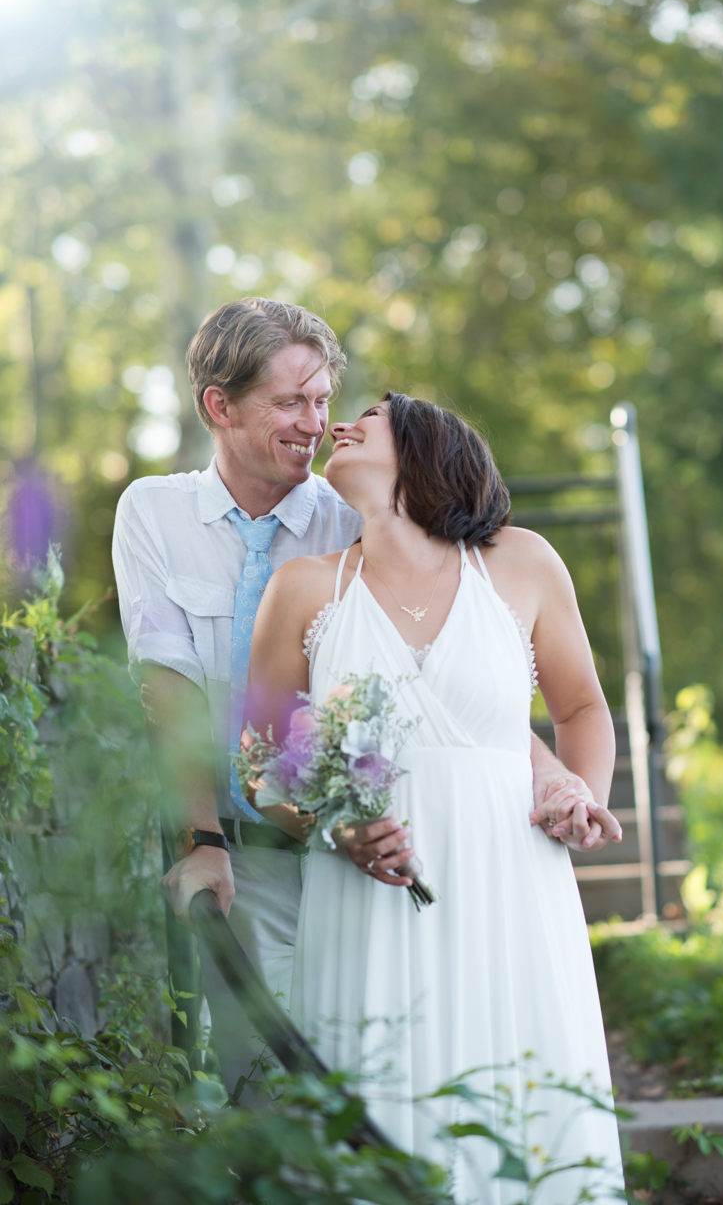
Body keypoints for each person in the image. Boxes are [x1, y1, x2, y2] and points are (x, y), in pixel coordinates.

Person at [112, 298, 606, 1098]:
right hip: (244, 843)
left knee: (395, 1070)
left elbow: (456, 682)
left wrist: (552, 775)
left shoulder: (363, 512)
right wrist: (198, 837)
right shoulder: (155, 513)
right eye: (288, 402)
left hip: (372, 847)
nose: (316, 424)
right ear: (220, 405)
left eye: (323, 401)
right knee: (264, 1081)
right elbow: (167, 688)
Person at [245, 393, 624, 1201]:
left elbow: (583, 710)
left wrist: (576, 791)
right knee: (378, 1107)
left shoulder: (520, 563)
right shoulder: (302, 588)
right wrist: (332, 826)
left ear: (428, 446)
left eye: (366, 417)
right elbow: (259, 759)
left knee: (523, 1103)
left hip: (513, 886)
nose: (337, 425)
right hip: (364, 898)